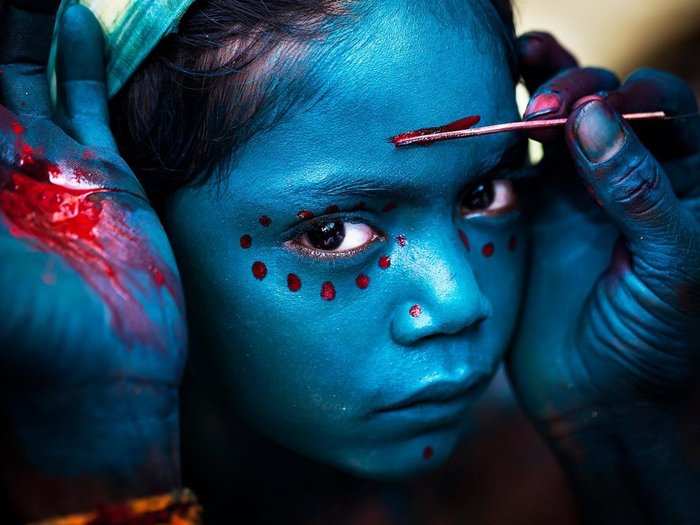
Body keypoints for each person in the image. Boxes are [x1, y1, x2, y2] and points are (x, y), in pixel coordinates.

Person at [0, 0, 698, 523]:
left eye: (485, 192)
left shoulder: (549, 477)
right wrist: (107, 456)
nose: (461, 301)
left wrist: (617, 427)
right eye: (332, 234)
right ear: (129, 230)